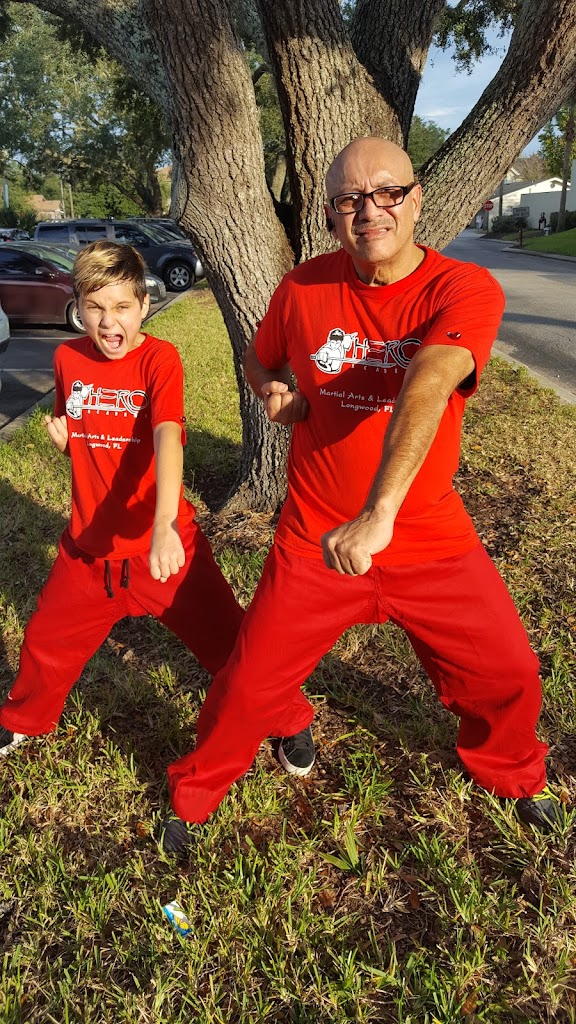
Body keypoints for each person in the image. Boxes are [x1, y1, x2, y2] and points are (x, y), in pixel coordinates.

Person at [161, 137, 565, 855]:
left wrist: (381, 512)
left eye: (386, 193)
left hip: (426, 532)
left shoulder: (463, 288)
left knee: (506, 671)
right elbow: (259, 358)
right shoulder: (302, 289)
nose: (369, 210)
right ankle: (195, 794)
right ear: (330, 215)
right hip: (314, 535)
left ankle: (510, 770)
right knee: (248, 685)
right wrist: (272, 391)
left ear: (415, 200)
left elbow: (430, 380)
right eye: (349, 199)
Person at [0, 240, 245, 769]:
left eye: (122, 307)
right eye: (95, 307)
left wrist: (164, 524)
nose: (109, 322)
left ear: (144, 303)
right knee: (45, 640)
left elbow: (167, 435)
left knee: (229, 639)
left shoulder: (159, 359)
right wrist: (66, 442)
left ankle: (286, 719)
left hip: (163, 544)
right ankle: (23, 717)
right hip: (89, 548)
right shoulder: (67, 358)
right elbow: (83, 430)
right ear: (78, 305)